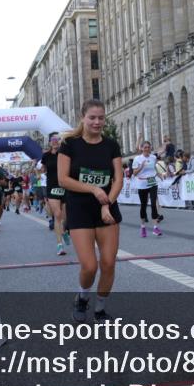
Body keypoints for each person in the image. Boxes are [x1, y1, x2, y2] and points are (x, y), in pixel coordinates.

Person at [59, 100, 124, 322]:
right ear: (82, 117)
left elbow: (118, 179)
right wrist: (94, 189)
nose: (97, 122)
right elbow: (63, 179)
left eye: (101, 118)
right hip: (79, 209)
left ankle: (100, 309)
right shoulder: (69, 144)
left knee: (108, 263)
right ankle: (82, 297)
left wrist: (107, 203)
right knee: (89, 266)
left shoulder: (111, 145)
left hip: (107, 207)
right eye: (92, 118)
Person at [39, 133, 71, 256]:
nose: (55, 141)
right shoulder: (46, 155)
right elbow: (43, 169)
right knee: (57, 215)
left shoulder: (65, 153)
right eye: (53, 139)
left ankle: (64, 232)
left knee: (65, 217)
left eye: (58, 139)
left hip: (65, 186)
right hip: (52, 187)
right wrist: (39, 170)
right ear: (50, 142)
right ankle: (59, 245)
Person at [131, 141, 163, 237]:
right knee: (143, 205)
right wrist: (141, 166)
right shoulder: (137, 159)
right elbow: (134, 173)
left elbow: (154, 168)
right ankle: (143, 227)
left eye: (148, 147)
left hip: (151, 180)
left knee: (153, 203)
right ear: (141, 148)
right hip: (142, 182)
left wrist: (159, 174)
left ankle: (155, 228)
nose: (147, 149)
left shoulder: (153, 157)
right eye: (145, 147)